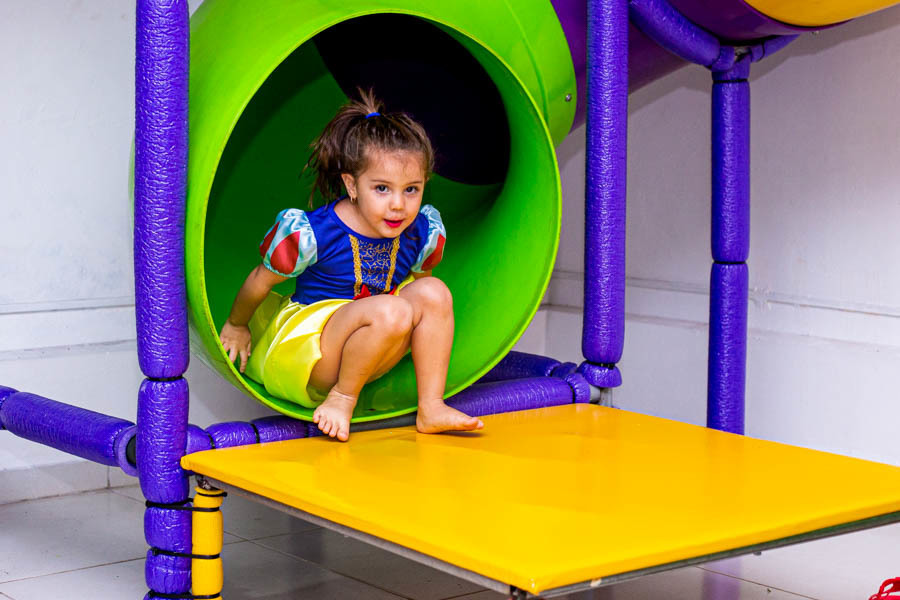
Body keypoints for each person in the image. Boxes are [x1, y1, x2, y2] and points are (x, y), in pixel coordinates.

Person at [219, 91, 484, 442]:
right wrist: (237, 325)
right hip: (314, 353)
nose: (398, 205)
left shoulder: (422, 231)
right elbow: (259, 280)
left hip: (377, 342)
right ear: (351, 185)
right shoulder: (314, 232)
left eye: (411, 190)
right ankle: (341, 398)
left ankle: (431, 405)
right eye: (382, 188)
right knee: (392, 310)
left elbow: (424, 308)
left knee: (433, 292)